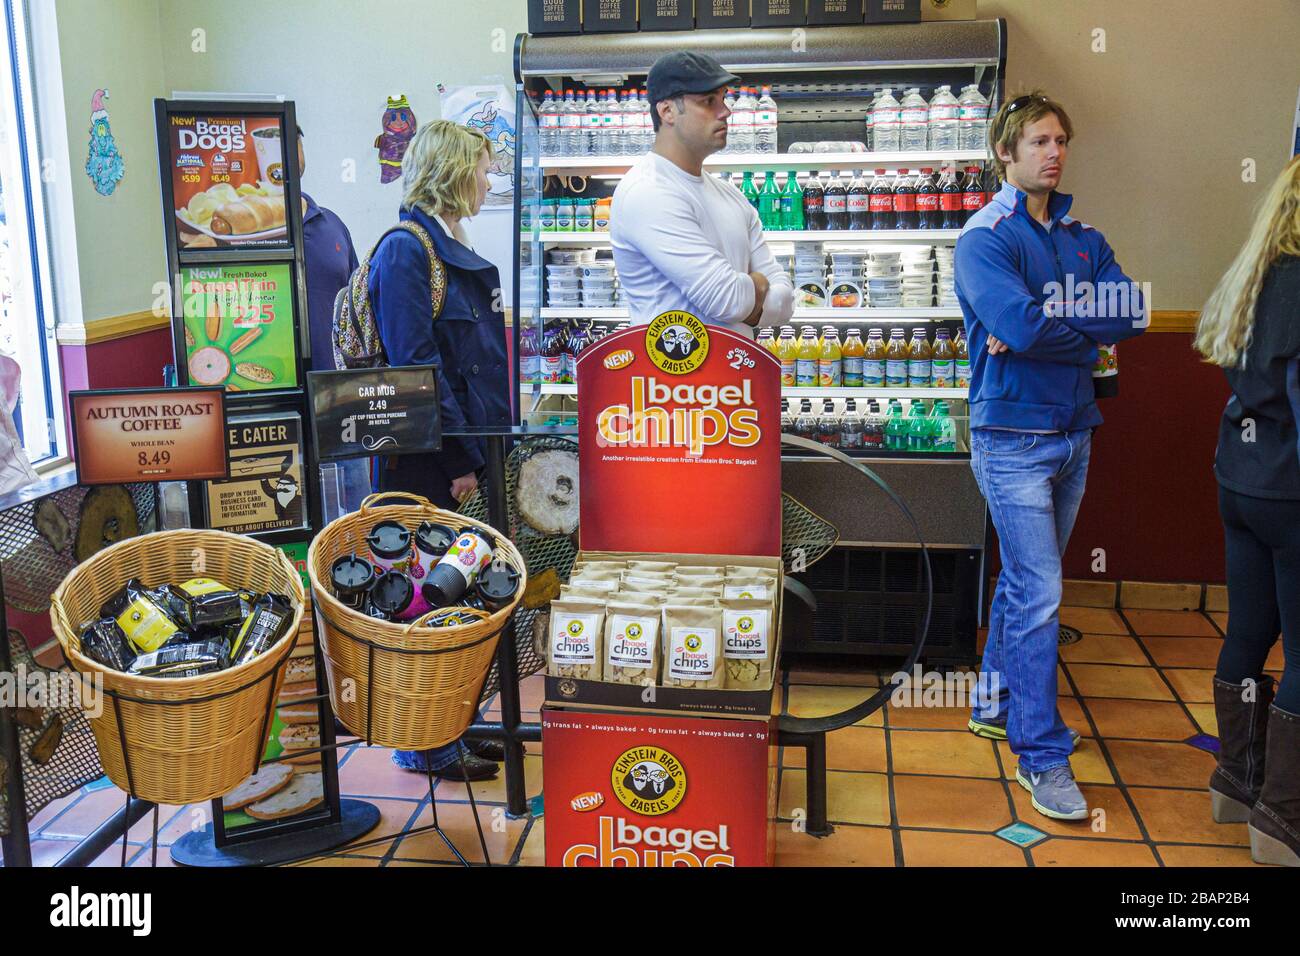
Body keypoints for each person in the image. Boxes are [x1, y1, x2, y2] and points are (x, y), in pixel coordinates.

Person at [954, 91, 1146, 821]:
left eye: (1060, 139)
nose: (1053, 151)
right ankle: (1042, 755)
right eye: (1037, 141)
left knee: (1026, 587)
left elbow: (1130, 310)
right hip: (1011, 439)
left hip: (1076, 430)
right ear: (1005, 153)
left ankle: (992, 704)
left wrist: (1047, 320)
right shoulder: (986, 237)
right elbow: (1015, 325)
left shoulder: (1083, 234)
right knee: (1040, 594)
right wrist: (1071, 321)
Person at [368, 119, 510, 781]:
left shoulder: (453, 243)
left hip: (471, 458)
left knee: (465, 599)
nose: (488, 178)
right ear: (454, 170)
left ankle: (453, 724)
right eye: (482, 166)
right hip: (431, 466)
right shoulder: (406, 250)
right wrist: (460, 464)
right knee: (426, 600)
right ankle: (421, 741)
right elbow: (416, 369)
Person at [1194, 157, 1300, 866]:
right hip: (1292, 490)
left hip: (1240, 482)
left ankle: (1237, 781)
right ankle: (1284, 818)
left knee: (1249, 632)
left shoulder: (1253, 274)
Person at [611, 52, 793, 336]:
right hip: (671, 377)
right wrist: (758, 285)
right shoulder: (648, 191)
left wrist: (747, 292)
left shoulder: (731, 196)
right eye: (709, 101)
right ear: (667, 111)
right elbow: (726, 299)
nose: (726, 111)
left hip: (735, 376)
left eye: (723, 98)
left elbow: (785, 304)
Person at [296, 127, 368, 513]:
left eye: (295, 139)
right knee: (291, 511)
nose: (288, 151)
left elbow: (358, 305)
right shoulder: (250, 232)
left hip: (341, 399)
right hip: (279, 403)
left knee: (356, 516)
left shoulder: (332, 225)